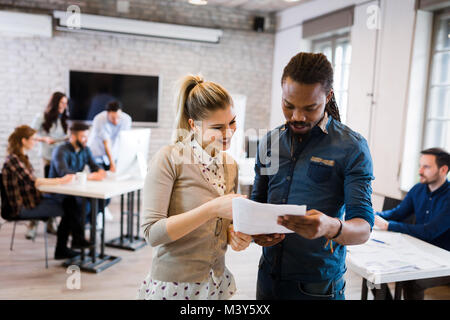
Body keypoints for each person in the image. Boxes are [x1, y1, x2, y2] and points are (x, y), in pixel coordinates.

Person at [251, 52, 374, 300]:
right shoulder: (270, 142)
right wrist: (255, 231)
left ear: (327, 97)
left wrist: (330, 226)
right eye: (288, 105)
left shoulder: (352, 147)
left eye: (310, 108)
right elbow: (257, 203)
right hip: (268, 277)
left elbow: (363, 228)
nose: (297, 116)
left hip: (316, 286)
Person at [137, 75, 252, 300]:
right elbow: (152, 233)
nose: (229, 133)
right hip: (175, 286)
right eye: (217, 127)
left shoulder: (231, 166)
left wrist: (235, 236)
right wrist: (212, 209)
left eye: (232, 122)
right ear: (193, 125)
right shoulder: (169, 159)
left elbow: (221, 227)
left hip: (215, 283)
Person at [1, 125, 91, 259]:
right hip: (22, 207)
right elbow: (34, 182)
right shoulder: (14, 160)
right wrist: (60, 180)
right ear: (24, 141)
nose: (35, 142)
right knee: (69, 206)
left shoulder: (20, 158)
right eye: (33, 139)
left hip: (30, 201)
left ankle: (72, 243)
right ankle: (66, 246)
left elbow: (33, 182)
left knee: (69, 201)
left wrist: (58, 182)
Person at [374, 148, 450, 300]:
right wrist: (371, 215)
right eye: (420, 165)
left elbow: (429, 231)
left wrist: (388, 225)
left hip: (444, 260)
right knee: (377, 272)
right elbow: (397, 213)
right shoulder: (418, 189)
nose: (420, 171)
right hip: (419, 252)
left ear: (443, 170)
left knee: (413, 281)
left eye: (426, 167)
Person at [25, 92, 70, 239]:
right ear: (55, 102)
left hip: (60, 160)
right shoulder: (42, 117)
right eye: (62, 103)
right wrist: (44, 139)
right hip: (48, 159)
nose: (64, 106)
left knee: (56, 193)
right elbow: (30, 134)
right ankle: (33, 224)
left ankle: (50, 224)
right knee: (46, 192)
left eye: (65, 103)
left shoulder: (63, 118)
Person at [48, 122, 107, 230]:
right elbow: (64, 173)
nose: (86, 140)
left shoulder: (85, 149)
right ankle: (78, 230)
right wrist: (89, 176)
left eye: (87, 137)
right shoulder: (60, 150)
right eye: (83, 137)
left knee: (104, 199)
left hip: (77, 189)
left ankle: (80, 226)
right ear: (73, 136)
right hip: (61, 191)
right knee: (86, 205)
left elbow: (95, 166)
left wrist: (100, 171)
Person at [87, 100, 132, 172]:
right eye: (113, 118)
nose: (116, 121)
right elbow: (106, 142)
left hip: (112, 153)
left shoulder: (126, 119)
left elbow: (124, 140)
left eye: (118, 117)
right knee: (99, 176)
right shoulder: (99, 119)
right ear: (107, 113)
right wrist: (112, 163)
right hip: (97, 154)